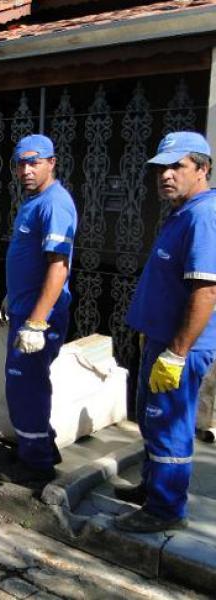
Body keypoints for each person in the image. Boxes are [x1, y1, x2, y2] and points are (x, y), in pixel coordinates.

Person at [115, 132, 216, 533]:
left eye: (177, 166)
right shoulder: (184, 212)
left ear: (203, 169)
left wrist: (176, 353)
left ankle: (166, 509)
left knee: (169, 424)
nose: (166, 175)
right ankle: (152, 488)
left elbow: (207, 291)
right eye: (161, 168)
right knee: (152, 420)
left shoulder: (203, 215)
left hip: (181, 348)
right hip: (162, 341)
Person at [3, 134, 78, 485]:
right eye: (21, 164)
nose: (26, 170)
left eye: (34, 162)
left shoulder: (55, 203)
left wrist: (36, 322)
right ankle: (39, 444)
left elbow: (58, 267)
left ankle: (36, 465)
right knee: (24, 383)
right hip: (24, 308)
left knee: (26, 386)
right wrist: (13, 296)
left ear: (52, 163)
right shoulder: (35, 201)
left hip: (39, 316)